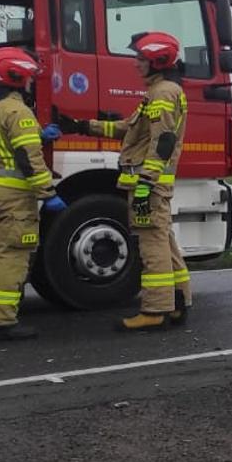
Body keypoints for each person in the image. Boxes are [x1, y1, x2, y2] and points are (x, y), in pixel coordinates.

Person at [57, 32, 191, 331]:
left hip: (147, 184)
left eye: (141, 59)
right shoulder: (163, 91)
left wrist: (144, 184)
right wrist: (82, 126)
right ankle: (179, 302)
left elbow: (163, 141)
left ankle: (155, 311)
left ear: (157, 61)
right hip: (153, 184)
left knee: (151, 244)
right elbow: (128, 129)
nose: (136, 64)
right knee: (164, 242)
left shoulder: (161, 95)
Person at [0, 48, 65, 341]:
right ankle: (0, 321)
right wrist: (48, 194)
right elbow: (27, 158)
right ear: (16, 76)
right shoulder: (17, 111)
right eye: (29, 77)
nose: (32, 82)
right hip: (13, 198)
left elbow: (1, 142)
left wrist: (38, 132)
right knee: (14, 257)